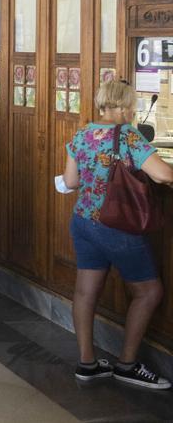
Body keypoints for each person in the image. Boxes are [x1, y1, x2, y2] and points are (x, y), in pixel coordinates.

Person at [61, 80, 173, 389]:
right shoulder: (127, 136)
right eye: (132, 105)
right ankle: (126, 364)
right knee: (149, 292)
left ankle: (88, 364)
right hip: (117, 224)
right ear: (124, 106)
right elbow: (163, 174)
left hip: (83, 220)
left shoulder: (82, 133)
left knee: (85, 293)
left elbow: (70, 181)